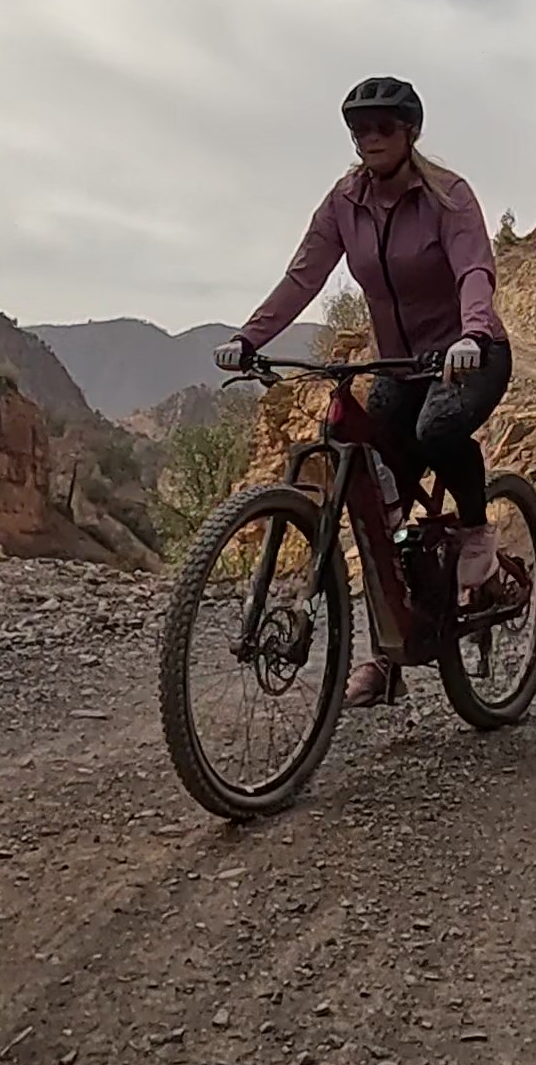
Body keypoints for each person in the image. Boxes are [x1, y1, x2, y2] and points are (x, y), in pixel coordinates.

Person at [216, 75, 509, 707]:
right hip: (399, 365)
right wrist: (249, 337)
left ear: (409, 135)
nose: (370, 139)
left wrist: (474, 334)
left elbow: (475, 270)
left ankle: (479, 537)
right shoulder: (344, 203)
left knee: (437, 430)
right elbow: (303, 277)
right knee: (380, 503)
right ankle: (388, 654)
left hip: (469, 354)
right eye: (360, 130)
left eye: (383, 128)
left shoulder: (446, 195)